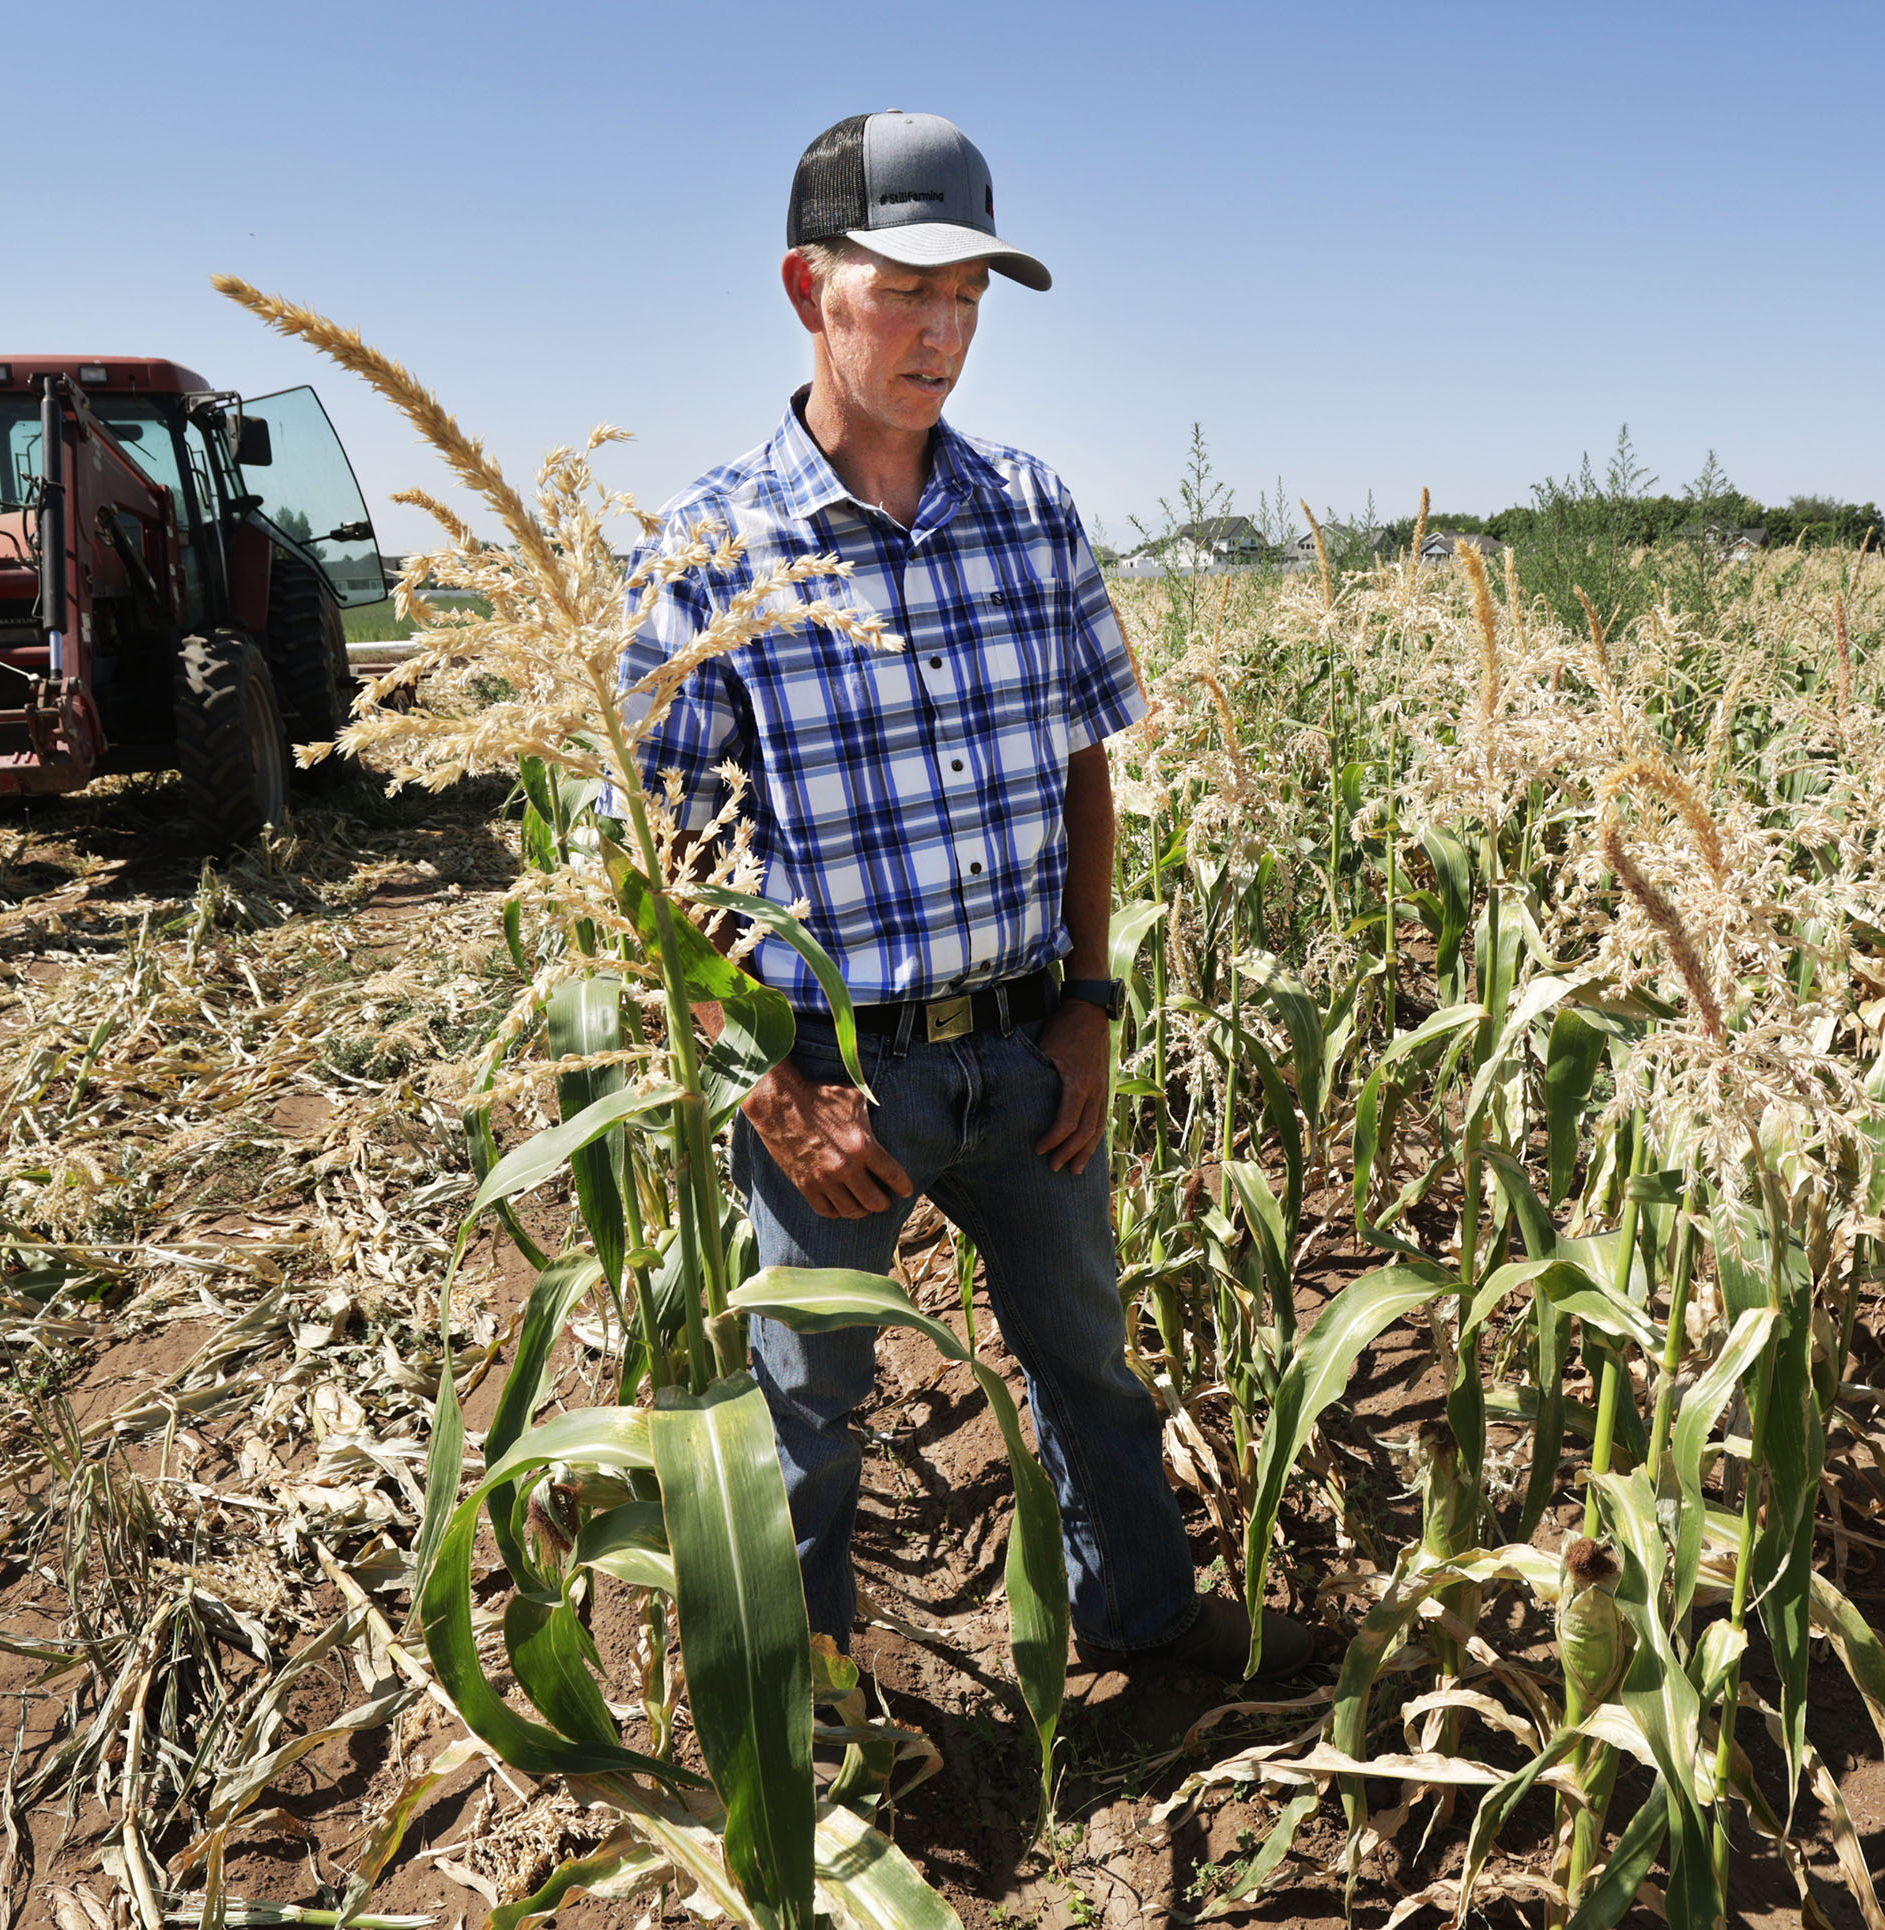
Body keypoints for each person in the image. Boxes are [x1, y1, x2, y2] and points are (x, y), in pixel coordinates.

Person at [619, 111, 1315, 1680]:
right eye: (906, 290)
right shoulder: (709, 552)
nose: (945, 333)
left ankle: (1149, 1627)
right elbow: (664, 858)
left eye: (972, 298)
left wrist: (1088, 1008)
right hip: (832, 1073)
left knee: (1089, 1362)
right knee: (806, 1419)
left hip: (1026, 1051)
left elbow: (1084, 766)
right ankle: (811, 1727)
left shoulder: (1031, 511)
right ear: (811, 288)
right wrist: (775, 1086)